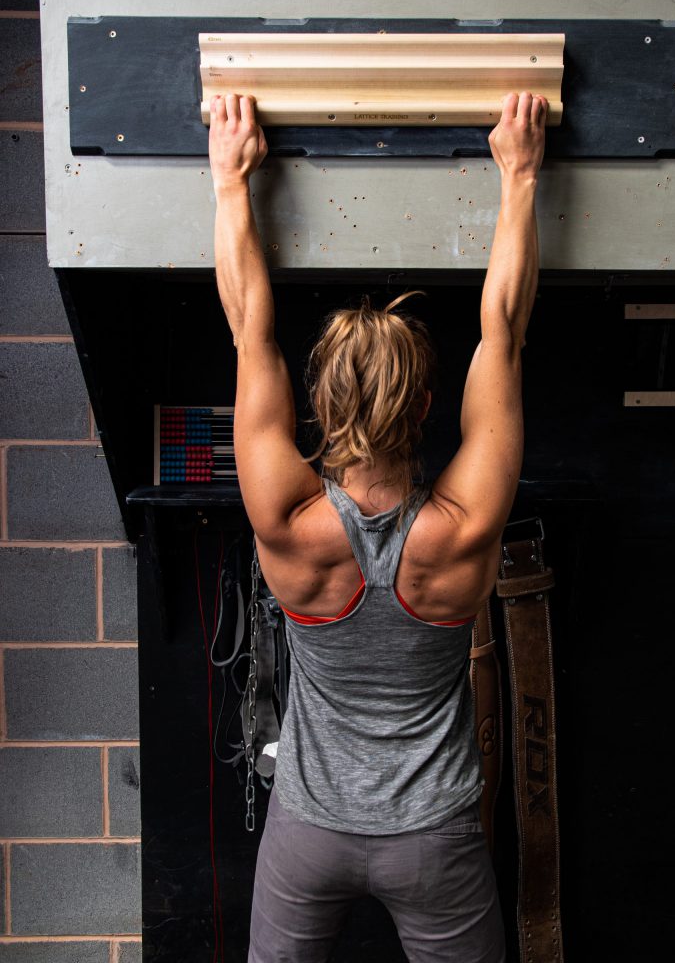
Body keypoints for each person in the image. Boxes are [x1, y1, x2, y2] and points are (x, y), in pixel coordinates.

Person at [208, 88, 547, 963]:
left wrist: (230, 184)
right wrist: (517, 177)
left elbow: (251, 332)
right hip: (433, 837)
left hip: (307, 834)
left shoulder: (285, 518)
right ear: (431, 407)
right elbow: (502, 331)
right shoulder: (463, 526)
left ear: (316, 406)